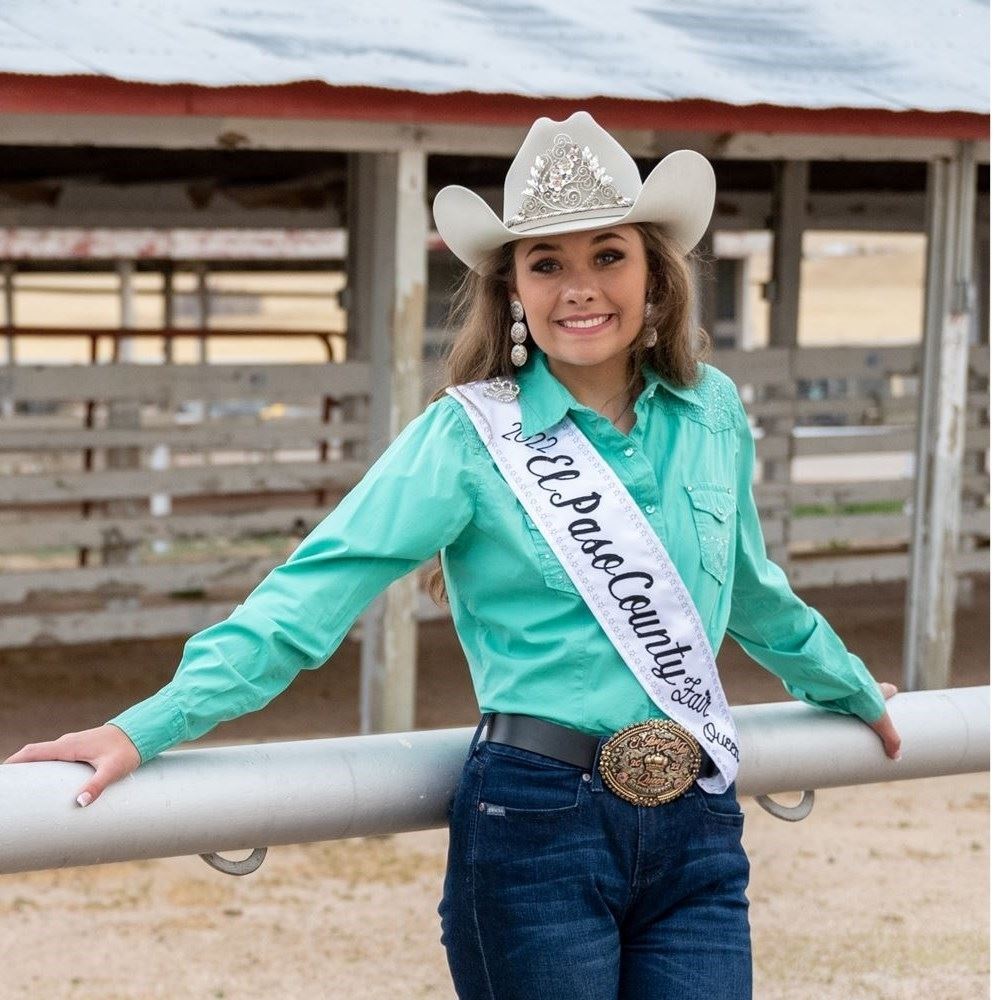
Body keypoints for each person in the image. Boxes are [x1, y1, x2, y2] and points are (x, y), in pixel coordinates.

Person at [4, 111, 900, 999]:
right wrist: (146, 725)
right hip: (538, 822)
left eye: (608, 254)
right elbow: (312, 595)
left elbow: (751, 589)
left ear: (656, 277)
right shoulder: (467, 437)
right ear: (514, 291)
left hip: (698, 820)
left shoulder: (712, 411)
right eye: (547, 263)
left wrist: (850, 686)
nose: (579, 285)